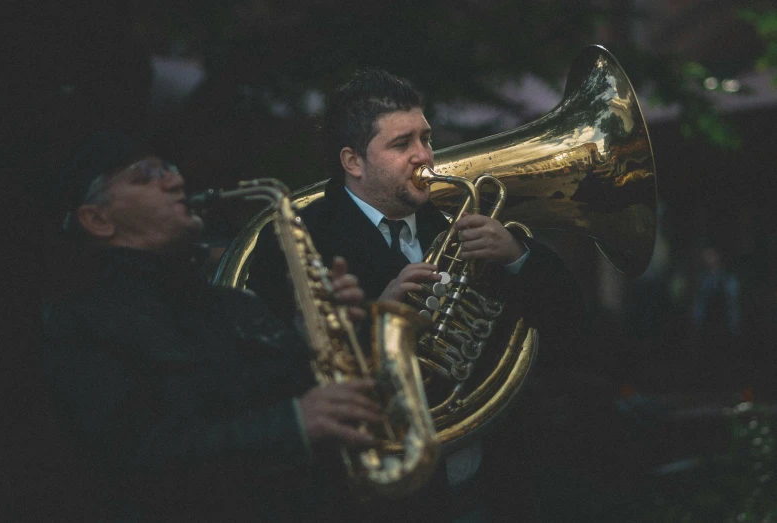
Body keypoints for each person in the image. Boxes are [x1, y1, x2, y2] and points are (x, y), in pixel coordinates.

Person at [248, 69, 586, 522]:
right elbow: (284, 373)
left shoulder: (456, 223)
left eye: (426, 138)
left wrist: (517, 255)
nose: (426, 156)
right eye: (401, 144)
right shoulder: (299, 240)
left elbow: (572, 328)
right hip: (376, 499)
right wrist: (379, 313)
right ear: (353, 161)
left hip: (489, 484)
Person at [41, 132, 387, 522]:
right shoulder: (79, 325)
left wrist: (334, 332)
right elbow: (135, 462)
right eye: (146, 176)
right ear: (98, 219)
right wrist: (291, 426)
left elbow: (300, 393)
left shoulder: (231, 304)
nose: (175, 181)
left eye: (169, 170)